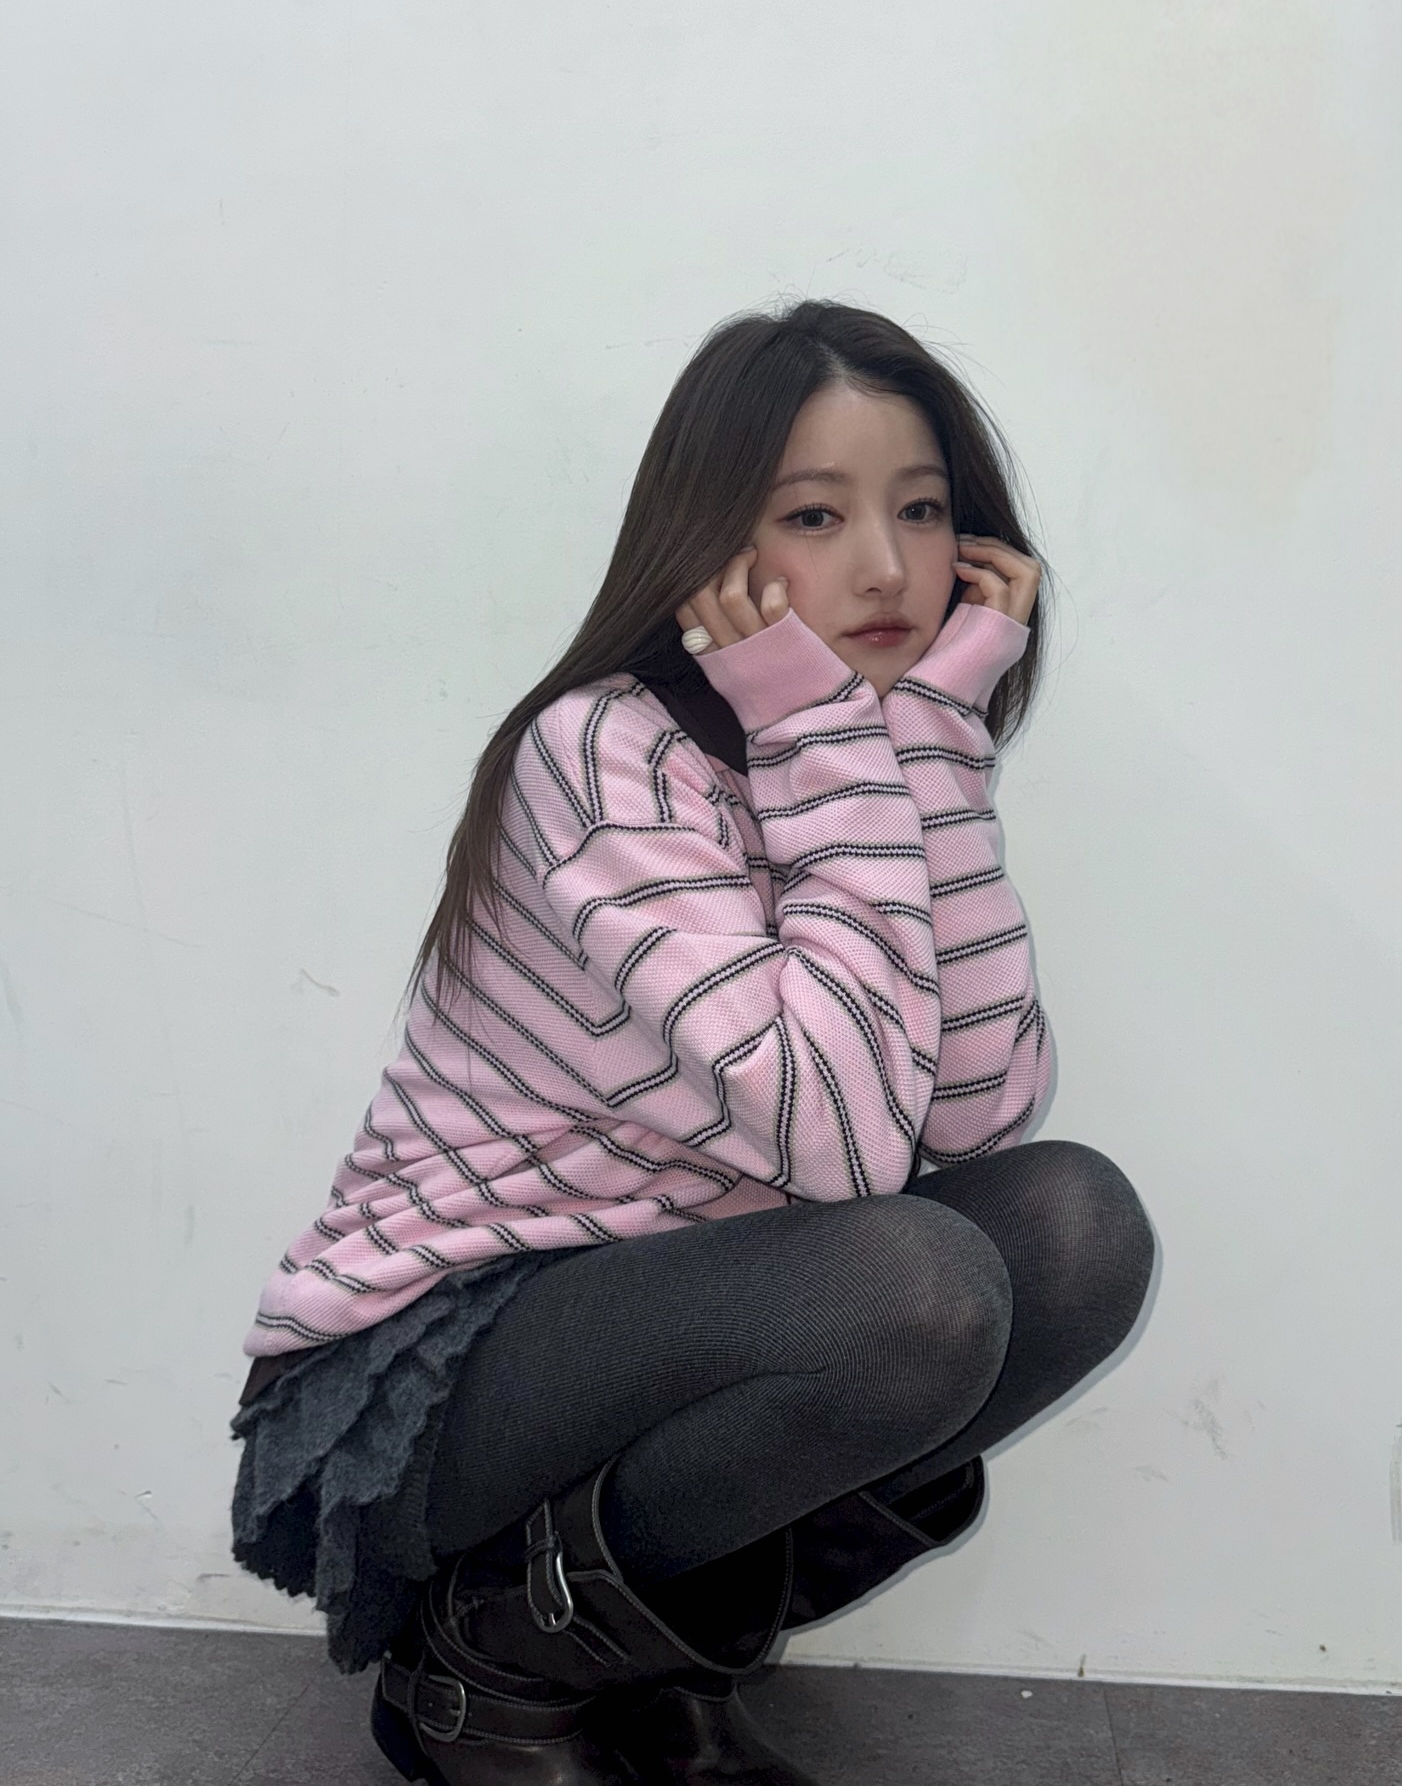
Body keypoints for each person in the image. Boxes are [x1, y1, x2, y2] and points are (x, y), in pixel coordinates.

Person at [230, 299, 1156, 1786]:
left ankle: (640, 1668)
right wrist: (828, 744)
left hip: (683, 1308)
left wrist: (932, 747)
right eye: (815, 514)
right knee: (913, 1284)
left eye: (924, 511)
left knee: (1075, 1226)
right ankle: (484, 1668)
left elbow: (974, 1116)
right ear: (715, 543)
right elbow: (841, 1147)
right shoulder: (606, 751)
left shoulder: (881, 738)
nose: (885, 566)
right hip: (447, 1362)